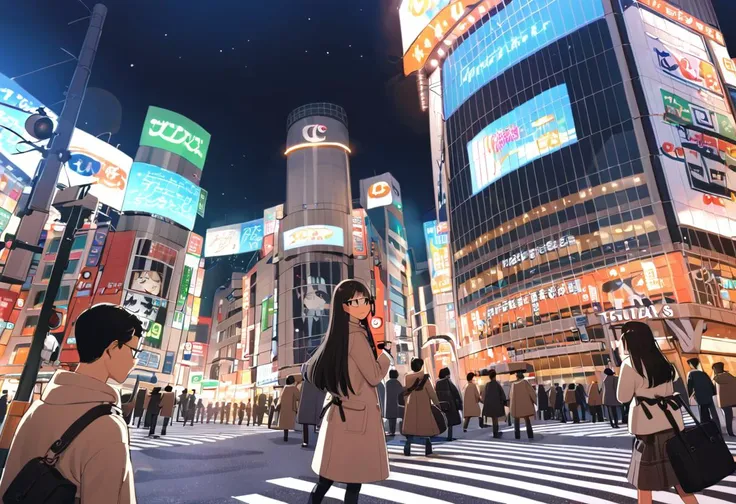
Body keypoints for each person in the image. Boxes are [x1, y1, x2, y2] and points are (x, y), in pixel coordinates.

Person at [0, 303, 139, 503]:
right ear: (111, 348)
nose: (135, 362)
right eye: (134, 351)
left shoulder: (39, 408)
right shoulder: (108, 427)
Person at [305, 279, 392, 504]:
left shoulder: (340, 335)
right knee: (354, 480)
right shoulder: (356, 337)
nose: (363, 305)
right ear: (344, 306)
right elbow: (373, 376)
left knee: (328, 477)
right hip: (357, 416)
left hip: (342, 413)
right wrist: (386, 357)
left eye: (365, 300)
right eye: (356, 301)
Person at [616, 321, 698, 504]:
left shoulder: (630, 364)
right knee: (680, 476)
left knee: (644, 482)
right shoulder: (662, 360)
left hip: (648, 428)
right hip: (671, 423)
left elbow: (623, 396)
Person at [402, 358, 440, 456]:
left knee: (411, 430)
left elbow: (406, 392)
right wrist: (437, 404)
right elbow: (431, 393)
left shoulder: (407, 377)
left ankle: (407, 448)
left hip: (411, 407)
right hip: (423, 407)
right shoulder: (425, 378)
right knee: (425, 431)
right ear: (421, 366)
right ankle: (428, 450)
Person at [297, 371, 327, 447]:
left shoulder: (304, 384)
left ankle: (305, 442)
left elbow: (300, 395)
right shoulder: (319, 383)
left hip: (306, 406)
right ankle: (320, 442)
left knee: (305, 425)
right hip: (317, 405)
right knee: (319, 423)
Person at [687, 358, 718, 426]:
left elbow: (689, 387)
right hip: (709, 394)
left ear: (691, 364)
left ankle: (705, 425)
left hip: (700, 395)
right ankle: (712, 424)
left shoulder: (691, 374)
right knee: (709, 410)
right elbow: (710, 384)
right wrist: (713, 393)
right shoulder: (703, 373)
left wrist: (689, 396)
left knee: (703, 410)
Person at [435, 367, 462, 441]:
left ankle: (444, 435)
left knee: (444, 420)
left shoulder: (437, 383)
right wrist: (459, 404)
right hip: (450, 405)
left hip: (441, 404)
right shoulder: (448, 382)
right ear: (446, 375)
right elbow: (455, 393)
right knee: (450, 422)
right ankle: (449, 437)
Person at [509, 370, 536, 439]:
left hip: (516, 407)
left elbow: (511, 396)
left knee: (516, 420)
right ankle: (530, 435)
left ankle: (517, 435)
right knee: (527, 420)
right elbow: (532, 393)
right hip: (525, 406)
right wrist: (535, 402)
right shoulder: (525, 383)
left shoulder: (513, 385)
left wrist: (511, 407)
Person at [712, 362, 736, 437]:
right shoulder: (731, 377)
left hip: (724, 402)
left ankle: (730, 432)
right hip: (733, 400)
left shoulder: (716, 379)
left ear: (715, 369)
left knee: (728, 417)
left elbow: (713, 390)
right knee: (730, 416)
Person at [481, 369, 506, 438]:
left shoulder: (487, 385)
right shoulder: (497, 384)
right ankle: (496, 433)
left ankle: (495, 432)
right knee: (495, 419)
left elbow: (484, 395)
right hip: (496, 404)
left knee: (493, 419)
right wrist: (504, 401)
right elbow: (502, 394)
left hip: (489, 405)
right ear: (495, 376)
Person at [275, 375, 299, 442]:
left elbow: (280, 398)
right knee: (290, 421)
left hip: (284, 408)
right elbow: (298, 396)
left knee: (285, 423)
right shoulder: (293, 388)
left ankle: (285, 436)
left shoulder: (284, 388)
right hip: (291, 408)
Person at [384, 369, 403, 436]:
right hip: (396, 403)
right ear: (396, 375)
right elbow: (401, 392)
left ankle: (391, 431)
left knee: (391, 419)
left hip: (389, 403)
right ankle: (394, 431)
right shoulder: (398, 383)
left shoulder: (387, 383)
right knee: (394, 418)